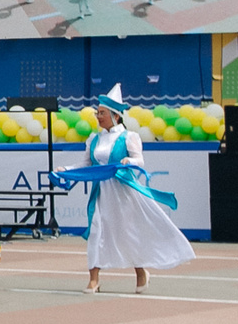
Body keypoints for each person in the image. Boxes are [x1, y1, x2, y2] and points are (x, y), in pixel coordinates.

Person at [59, 85, 192, 292]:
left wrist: (128, 160)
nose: (98, 117)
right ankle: (94, 279)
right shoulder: (94, 139)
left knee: (128, 232)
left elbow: (140, 161)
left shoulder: (129, 137)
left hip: (123, 193)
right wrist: (65, 170)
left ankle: (141, 272)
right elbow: (85, 164)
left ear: (116, 116)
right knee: (96, 232)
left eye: (102, 113)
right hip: (101, 192)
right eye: (97, 113)